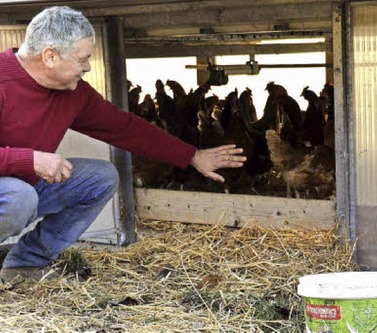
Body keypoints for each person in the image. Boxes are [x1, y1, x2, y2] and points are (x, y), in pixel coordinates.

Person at [0, 6, 246, 281]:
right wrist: (32, 160)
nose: (88, 67)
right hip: (13, 192)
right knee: (19, 197)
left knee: (100, 177)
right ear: (50, 56)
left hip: (22, 187)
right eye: (82, 59)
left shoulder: (73, 93)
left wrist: (192, 156)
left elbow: (124, 127)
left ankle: (26, 265)